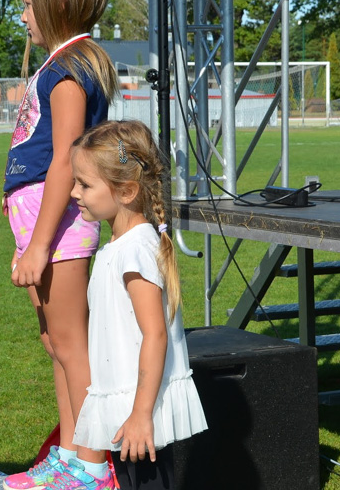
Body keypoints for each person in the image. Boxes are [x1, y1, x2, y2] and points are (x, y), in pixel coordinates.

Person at [2, 0, 118, 490]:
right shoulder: (56, 65)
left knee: (73, 344)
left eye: (26, 4)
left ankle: (93, 465)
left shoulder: (71, 68)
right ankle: (69, 452)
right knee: (55, 342)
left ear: (58, 0)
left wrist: (40, 245)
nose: (22, 15)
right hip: (38, 221)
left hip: (58, 223)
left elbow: (65, 160)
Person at [69, 120, 208, 490]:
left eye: (84, 183)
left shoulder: (134, 251)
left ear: (127, 190)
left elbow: (155, 334)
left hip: (139, 408)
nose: (73, 192)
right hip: (126, 403)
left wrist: (141, 413)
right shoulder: (121, 246)